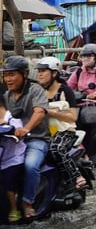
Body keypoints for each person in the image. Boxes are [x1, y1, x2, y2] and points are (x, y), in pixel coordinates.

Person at [2, 56, 49, 219]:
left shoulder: (35, 90)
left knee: (30, 165)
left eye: (12, 75)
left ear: (25, 74)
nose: (8, 79)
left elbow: (40, 112)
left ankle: (27, 202)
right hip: (12, 141)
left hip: (35, 139)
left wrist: (26, 128)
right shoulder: (7, 95)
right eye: (6, 75)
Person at [36, 57, 87, 191]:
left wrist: (52, 113)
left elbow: (73, 117)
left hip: (65, 131)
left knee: (56, 148)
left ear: (54, 73)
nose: (39, 74)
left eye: (43, 71)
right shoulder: (38, 92)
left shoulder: (65, 90)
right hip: (44, 132)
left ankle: (76, 176)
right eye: (38, 71)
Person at [0, 95, 26, 223]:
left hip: (13, 157)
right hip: (2, 156)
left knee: (7, 181)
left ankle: (14, 209)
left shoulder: (12, 117)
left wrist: (14, 130)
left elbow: (19, 131)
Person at [67, 43, 96, 113]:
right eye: (83, 56)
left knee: (92, 122)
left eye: (89, 56)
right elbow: (69, 85)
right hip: (80, 104)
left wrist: (95, 94)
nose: (85, 58)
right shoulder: (78, 72)